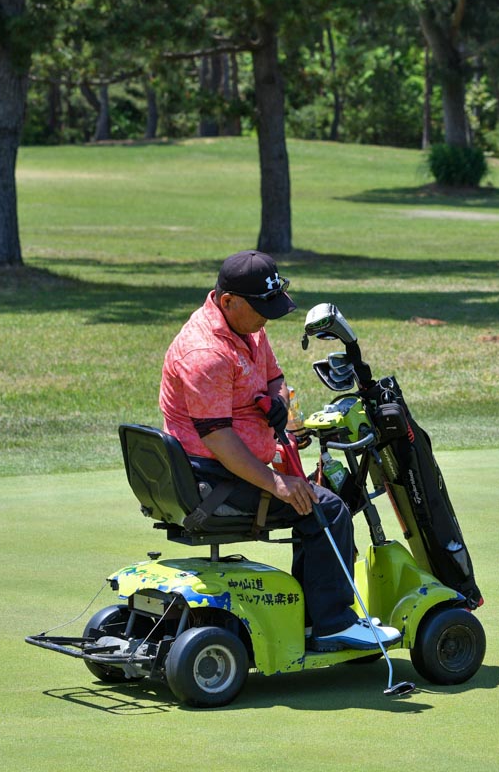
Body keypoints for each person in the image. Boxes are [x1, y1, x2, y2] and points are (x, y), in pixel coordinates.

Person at [159, 250, 400, 649]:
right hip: (213, 477)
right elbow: (218, 440)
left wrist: (276, 402)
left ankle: (310, 619)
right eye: (261, 308)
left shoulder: (247, 327)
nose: (266, 318)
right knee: (328, 508)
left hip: (230, 467)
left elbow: (275, 377)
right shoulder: (206, 354)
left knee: (316, 502)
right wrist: (277, 484)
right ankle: (334, 623)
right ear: (227, 301)